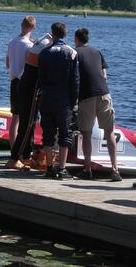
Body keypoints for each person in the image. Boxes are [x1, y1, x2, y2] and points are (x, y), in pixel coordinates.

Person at [74, 28, 121, 182]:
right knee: (109, 132)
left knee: (86, 132)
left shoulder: (75, 53)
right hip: (104, 93)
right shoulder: (97, 52)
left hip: (87, 96)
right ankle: (115, 170)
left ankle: (87, 169)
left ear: (76, 39)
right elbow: (104, 76)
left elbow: (74, 78)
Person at [38, 22, 79, 180]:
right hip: (63, 99)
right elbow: (75, 81)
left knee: (47, 133)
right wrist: (73, 101)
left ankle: (49, 167)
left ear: (52, 34)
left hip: (47, 96)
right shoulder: (71, 53)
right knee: (65, 133)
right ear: (65, 34)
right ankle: (61, 169)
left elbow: (40, 77)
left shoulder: (44, 53)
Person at [8, 32, 54, 171]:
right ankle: (14, 158)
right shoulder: (46, 48)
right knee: (27, 125)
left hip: (22, 85)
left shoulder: (39, 43)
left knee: (30, 124)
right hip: (31, 90)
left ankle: (26, 156)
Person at [5, 16, 35, 151]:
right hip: (24, 83)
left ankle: (13, 150)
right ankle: (23, 151)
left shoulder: (12, 41)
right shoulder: (30, 46)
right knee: (25, 120)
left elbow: (7, 63)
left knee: (15, 119)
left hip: (13, 81)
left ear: (21, 25)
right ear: (33, 28)